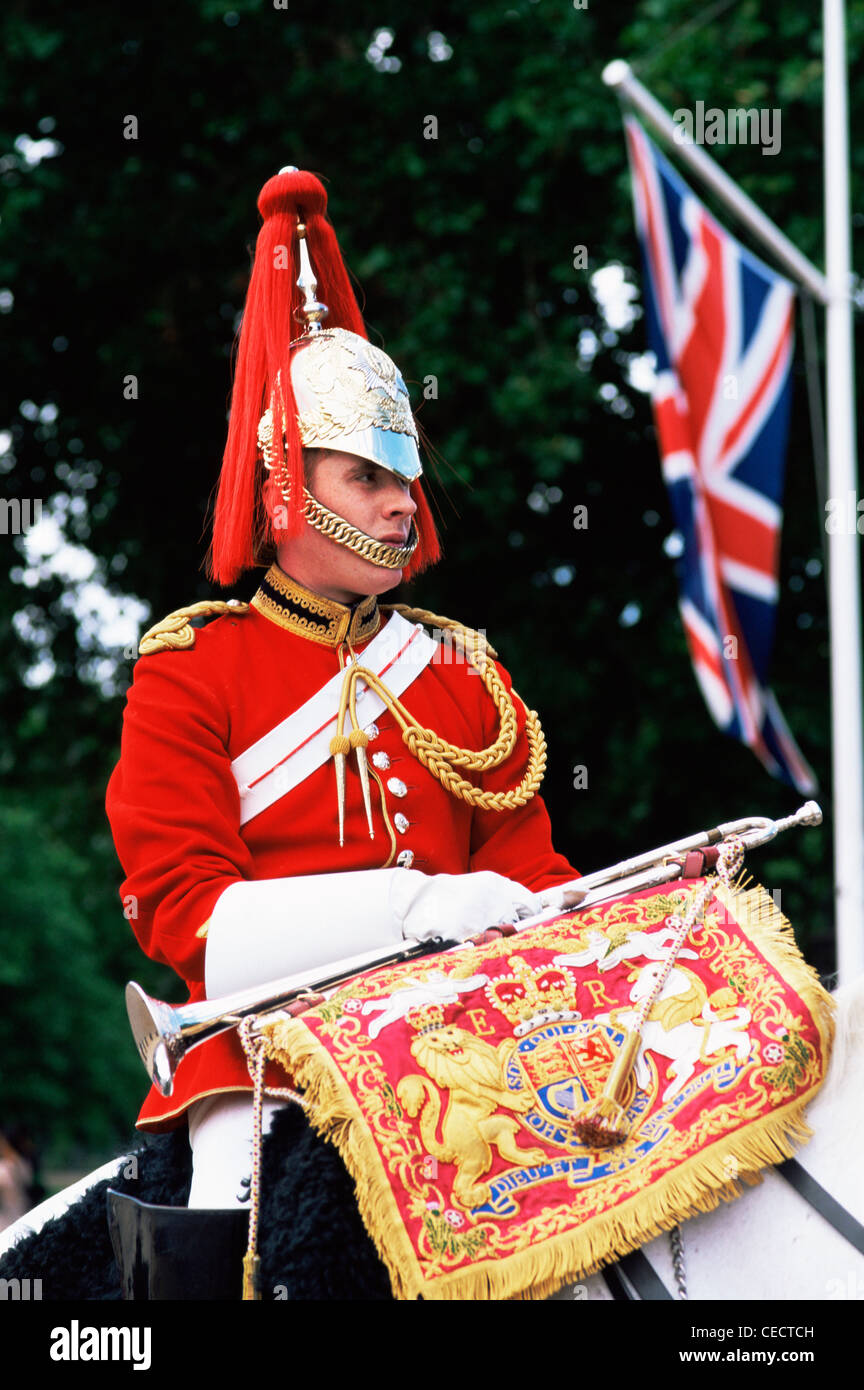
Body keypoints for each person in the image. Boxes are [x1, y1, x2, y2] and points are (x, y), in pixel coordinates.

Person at [105, 167, 581, 1216]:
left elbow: (525, 866)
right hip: (268, 1048)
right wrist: (417, 907)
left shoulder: (462, 666)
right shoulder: (192, 665)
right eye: (366, 476)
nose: (402, 504)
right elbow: (185, 913)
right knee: (245, 1224)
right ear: (287, 484)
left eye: (405, 475)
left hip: (470, 1028)